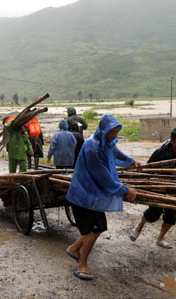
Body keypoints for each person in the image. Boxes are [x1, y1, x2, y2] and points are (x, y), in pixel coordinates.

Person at [65, 114, 140, 280]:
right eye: (111, 132)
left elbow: (115, 152)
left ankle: (73, 249)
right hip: (83, 195)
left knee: (98, 228)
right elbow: (103, 177)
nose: (114, 135)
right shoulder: (93, 147)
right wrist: (124, 190)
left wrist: (131, 161)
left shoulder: (106, 141)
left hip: (93, 194)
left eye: (116, 131)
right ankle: (82, 265)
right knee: (93, 230)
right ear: (104, 130)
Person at [130, 127, 176, 249]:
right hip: (159, 185)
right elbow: (148, 168)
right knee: (154, 211)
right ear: (172, 141)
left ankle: (160, 238)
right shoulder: (161, 152)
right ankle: (139, 226)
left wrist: (171, 176)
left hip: (175, 185)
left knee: (172, 214)